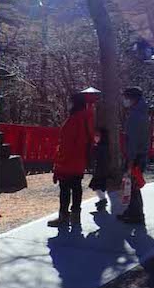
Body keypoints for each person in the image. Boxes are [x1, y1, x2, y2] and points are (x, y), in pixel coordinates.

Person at [48, 92, 94, 227]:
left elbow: (66, 144)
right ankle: (76, 215)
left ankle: (63, 216)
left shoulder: (73, 120)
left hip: (68, 161)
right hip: (80, 160)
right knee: (77, 187)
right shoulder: (88, 119)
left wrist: (59, 160)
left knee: (65, 190)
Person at [120, 86, 149, 225]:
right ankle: (132, 212)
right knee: (132, 185)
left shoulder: (135, 116)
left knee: (133, 185)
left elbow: (133, 140)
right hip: (141, 153)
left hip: (135, 155)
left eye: (126, 97)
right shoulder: (142, 114)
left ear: (132, 99)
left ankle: (136, 214)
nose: (124, 100)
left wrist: (130, 159)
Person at [88, 127, 110, 212]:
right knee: (100, 186)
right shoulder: (103, 146)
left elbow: (99, 159)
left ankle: (103, 200)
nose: (95, 137)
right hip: (101, 170)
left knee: (97, 186)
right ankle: (102, 200)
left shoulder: (101, 147)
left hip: (100, 170)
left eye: (97, 136)